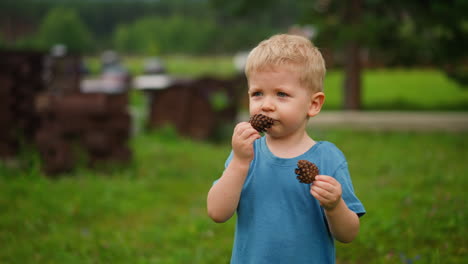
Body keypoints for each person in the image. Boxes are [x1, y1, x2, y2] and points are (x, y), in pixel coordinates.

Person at [207, 34, 365, 263]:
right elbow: (217, 213)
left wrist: (335, 205)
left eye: (281, 94)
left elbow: (348, 234)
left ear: (313, 104)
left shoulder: (328, 158)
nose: (266, 105)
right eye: (257, 93)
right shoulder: (247, 154)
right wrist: (240, 162)